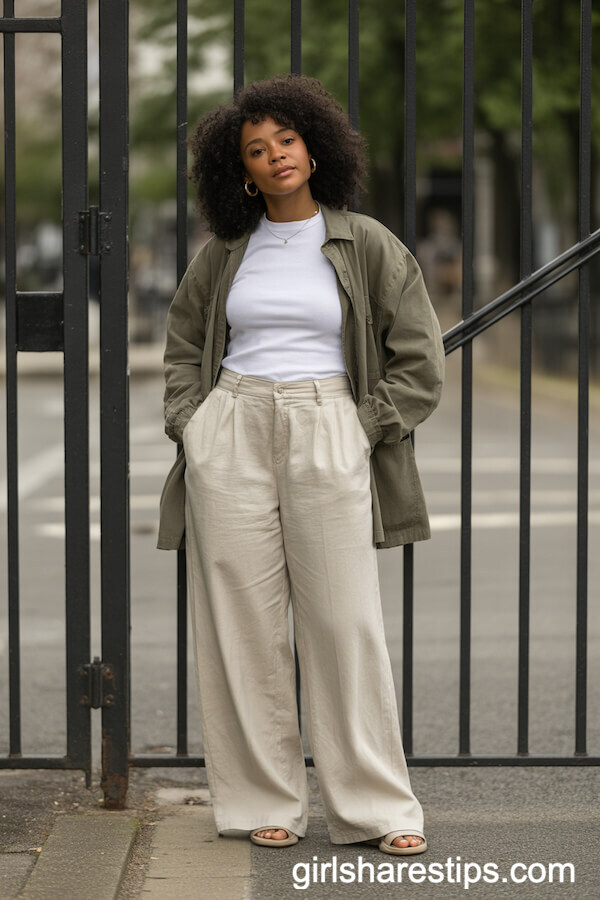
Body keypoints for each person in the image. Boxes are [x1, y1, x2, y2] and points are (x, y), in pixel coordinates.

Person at [157, 74, 444, 855]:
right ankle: (262, 802)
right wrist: (194, 421)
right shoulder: (225, 254)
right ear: (239, 172)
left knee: (343, 621)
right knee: (240, 627)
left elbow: (418, 360)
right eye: (256, 149)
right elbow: (185, 342)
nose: (275, 155)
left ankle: (378, 809)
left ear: (315, 150)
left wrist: (361, 427)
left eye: (286, 140)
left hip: (329, 423)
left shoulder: (367, 241)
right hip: (234, 424)